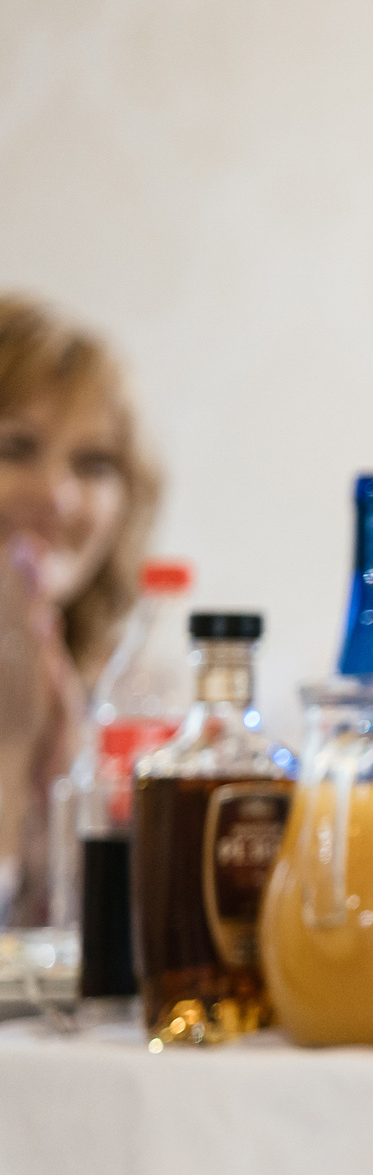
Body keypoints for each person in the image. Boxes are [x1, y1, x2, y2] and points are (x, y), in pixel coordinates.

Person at [0, 295, 160, 925]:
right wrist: (14, 747)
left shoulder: (130, 694)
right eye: (16, 448)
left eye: (92, 464)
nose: (57, 497)